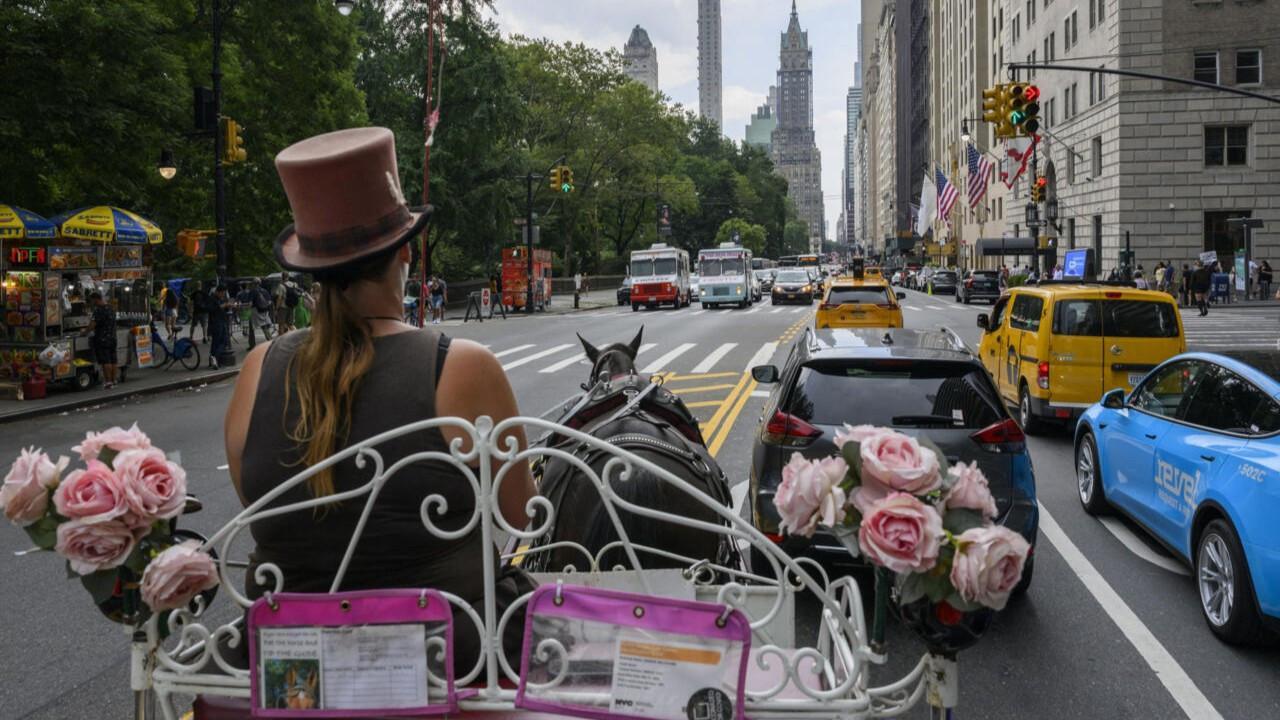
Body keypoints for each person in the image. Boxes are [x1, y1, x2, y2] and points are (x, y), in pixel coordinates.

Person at [224, 126, 535, 669]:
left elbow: (264, 508)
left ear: (312, 269)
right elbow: (523, 514)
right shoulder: (461, 367)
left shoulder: (258, 369)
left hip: (289, 661)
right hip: (445, 656)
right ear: (407, 252)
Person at [86, 291, 118, 389]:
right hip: (113, 337)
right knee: (113, 360)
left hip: (103, 339)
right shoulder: (111, 308)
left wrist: (84, 332)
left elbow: (92, 325)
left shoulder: (98, 310)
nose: (91, 303)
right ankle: (113, 380)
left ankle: (108, 382)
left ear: (95, 299)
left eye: (92, 301)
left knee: (106, 361)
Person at [208, 284, 234, 368]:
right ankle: (214, 357)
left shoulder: (221, 299)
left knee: (223, 340)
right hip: (216, 322)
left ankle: (214, 357)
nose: (223, 295)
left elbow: (224, 308)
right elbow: (212, 309)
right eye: (223, 293)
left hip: (222, 321)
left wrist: (229, 306)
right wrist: (224, 305)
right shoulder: (212, 298)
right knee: (217, 341)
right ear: (218, 292)